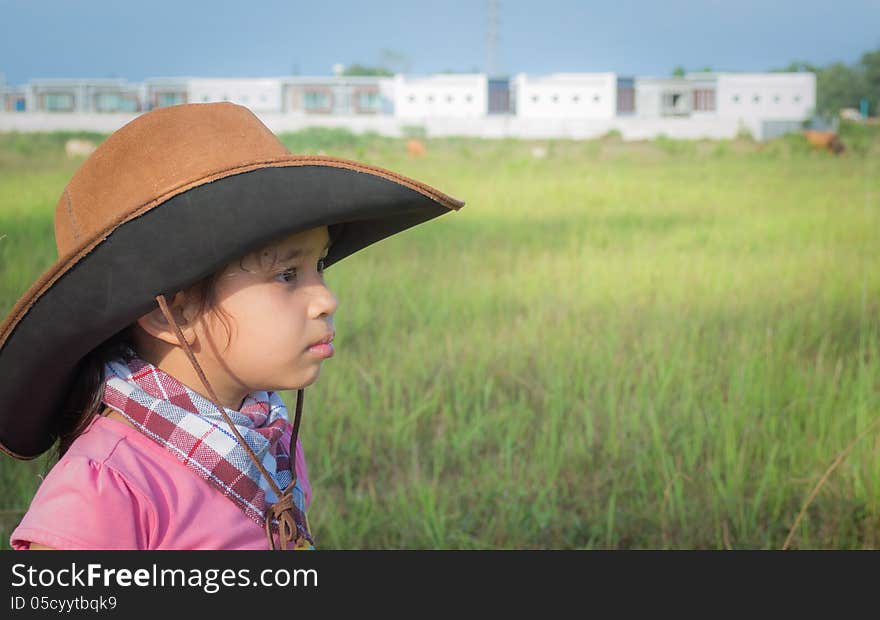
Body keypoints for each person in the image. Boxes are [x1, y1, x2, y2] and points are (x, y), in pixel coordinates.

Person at [0, 102, 464, 550]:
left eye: (319, 264)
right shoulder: (109, 486)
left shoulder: (271, 441)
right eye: (286, 274)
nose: (326, 299)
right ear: (172, 313)